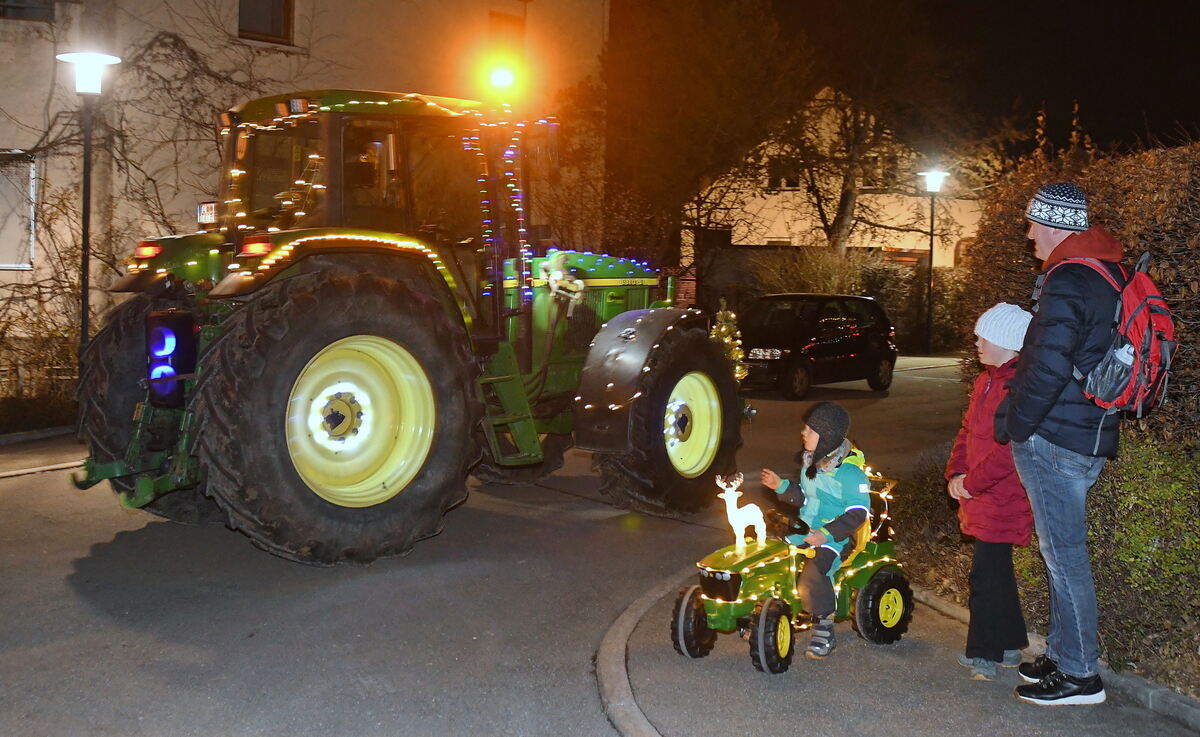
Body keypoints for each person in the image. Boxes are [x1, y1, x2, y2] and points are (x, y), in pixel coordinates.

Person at [999, 182, 1124, 706]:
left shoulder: (1068, 278)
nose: (1029, 233)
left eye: (1034, 223)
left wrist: (1017, 424)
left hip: (1056, 436)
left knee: (1064, 557)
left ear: (1054, 224)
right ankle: (1062, 653)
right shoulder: (1106, 271)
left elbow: (1048, 364)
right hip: (1087, 430)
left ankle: (1080, 676)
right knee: (1060, 555)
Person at [946, 303, 1034, 681]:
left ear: (1008, 343)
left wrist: (971, 483)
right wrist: (957, 471)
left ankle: (984, 652)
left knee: (985, 577)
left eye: (985, 337)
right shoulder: (985, 381)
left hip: (1002, 497)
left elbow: (1009, 451)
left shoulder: (1016, 387)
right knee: (996, 573)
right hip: (981, 493)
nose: (977, 343)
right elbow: (967, 431)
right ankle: (1010, 644)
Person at [760, 402, 870, 660]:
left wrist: (826, 534)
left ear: (827, 436)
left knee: (814, 572)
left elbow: (858, 513)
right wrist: (780, 486)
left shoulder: (851, 475)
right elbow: (804, 498)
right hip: (807, 528)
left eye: (810, 430)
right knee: (772, 555)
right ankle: (768, 610)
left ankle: (824, 628)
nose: (803, 433)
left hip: (838, 537)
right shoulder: (811, 465)